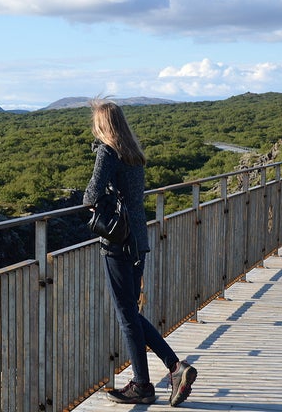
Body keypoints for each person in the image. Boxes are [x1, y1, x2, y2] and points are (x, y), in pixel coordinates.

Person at [83, 98, 197, 406]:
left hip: (116, 242)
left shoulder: (108, 151)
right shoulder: (134, 154)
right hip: (137, 240)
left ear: (103, 126)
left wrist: (94, 196)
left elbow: (90, 195)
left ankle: (144, 384)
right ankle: (174, 368)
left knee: (127, 316)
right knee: (131, 312)